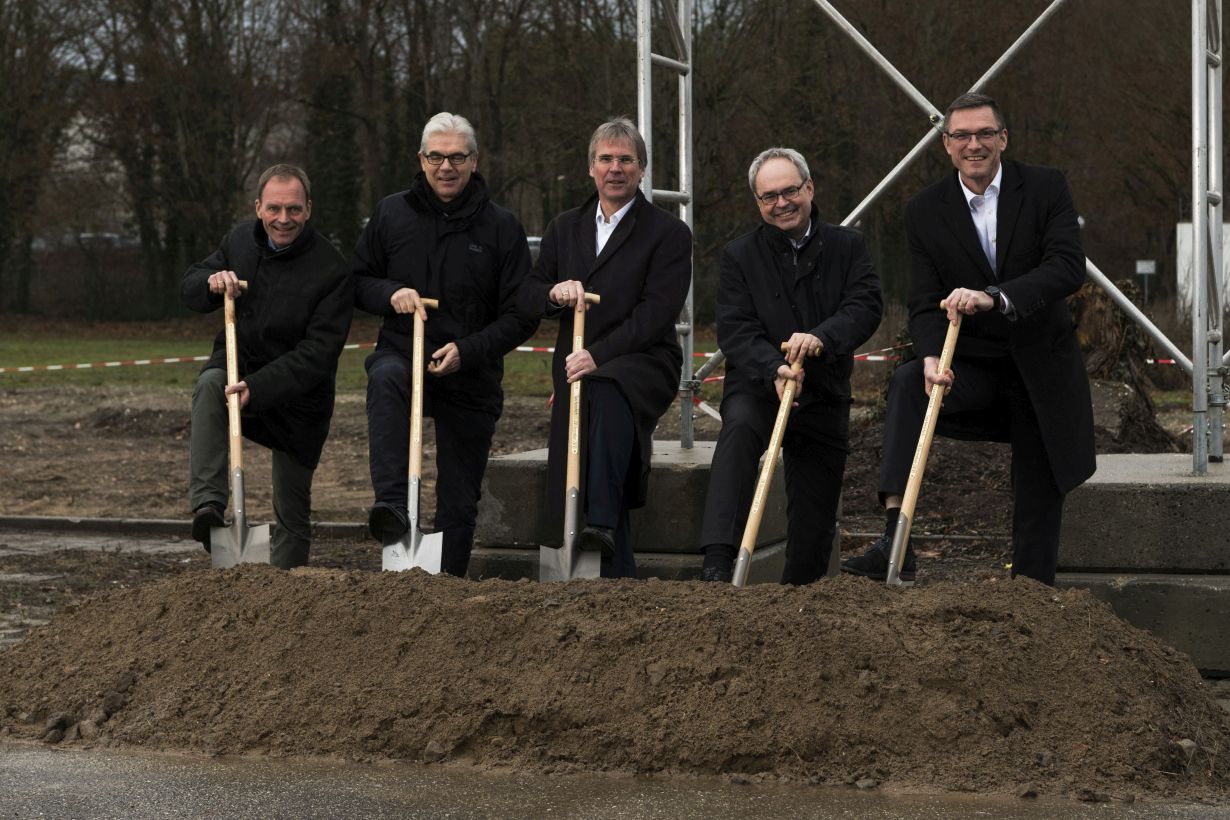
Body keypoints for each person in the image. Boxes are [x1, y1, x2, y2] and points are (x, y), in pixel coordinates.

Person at [841, 92, 1094, 586]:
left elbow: (1067, 268)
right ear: (946, 145)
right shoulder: (924, 210)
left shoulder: (1045, 188)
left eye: (984, 134)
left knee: (1038, 495)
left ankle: (1033, 602)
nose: (973, 144)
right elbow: (923, 300)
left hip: (1042, 371)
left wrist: (994, 297)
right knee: (911, 381)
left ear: (1003, 139)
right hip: (973, 371)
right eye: (962, 135)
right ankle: (896, 538)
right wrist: (934, 356)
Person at [353, 112, 536, 577]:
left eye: (457, 157)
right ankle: (391, 506)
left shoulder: (501, 228)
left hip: (470, 371)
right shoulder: (392, 214)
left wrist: (469, 351)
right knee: (387, 375)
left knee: (459, 498)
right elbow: (357, 280)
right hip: (403, 352)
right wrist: (390, 293)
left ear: (474, 161)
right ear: (421, 159)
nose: (446, 167)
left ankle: (449, 587)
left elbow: (521, 315)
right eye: (436, 156)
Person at [697, 148, 882, 584]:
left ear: (809, 189)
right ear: (757, 203)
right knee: (739, 433)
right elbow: (735, 328)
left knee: (815, 523)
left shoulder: (847, 246)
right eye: (769, 197)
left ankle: (800, 598)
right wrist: (774, 367)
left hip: (823, 390)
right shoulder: (739, 256)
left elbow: (865, 305)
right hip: (760, 384)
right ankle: (717, 565)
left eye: (790, 191)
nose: (781, 203)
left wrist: (822, 338)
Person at [519, 117, 692, 579]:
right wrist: (554, 292)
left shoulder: (668, 234)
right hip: (577, 365)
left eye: (626, 160)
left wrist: (599, 356)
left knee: (609, 387)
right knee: (578, 452)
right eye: (606, 159)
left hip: (643, 361)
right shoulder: (564, 227)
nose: (615, 168)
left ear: (642, 169)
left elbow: (656, 314)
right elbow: (527, 291)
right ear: (591, 168)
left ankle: (598, 524)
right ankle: (606, 545)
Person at [183, 163, 354, 569]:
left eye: (293, 209)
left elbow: (319, 354)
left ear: (308, 209)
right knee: (210, 382)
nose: (283, 219)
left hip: (298, 398)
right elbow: (190, 285)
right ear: (258, 207)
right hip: (237, 370)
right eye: (274, 208)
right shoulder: (239, 241)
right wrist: (210, 282)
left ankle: (285, 599)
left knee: (292, 512)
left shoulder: (331, 267)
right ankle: (208, 506)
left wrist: (257, 388)